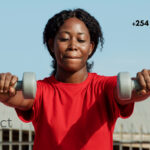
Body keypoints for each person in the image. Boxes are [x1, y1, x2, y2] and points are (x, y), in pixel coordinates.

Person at [0, 8, 150, 150]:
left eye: (81, 40)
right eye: (64, 39)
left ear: (90, 47)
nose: (73, 46)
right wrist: (6, 90)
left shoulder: (103, 87)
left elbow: (126, 92)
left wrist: (144, 83)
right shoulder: (41, 91)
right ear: (52, 45)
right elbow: (18, 97)